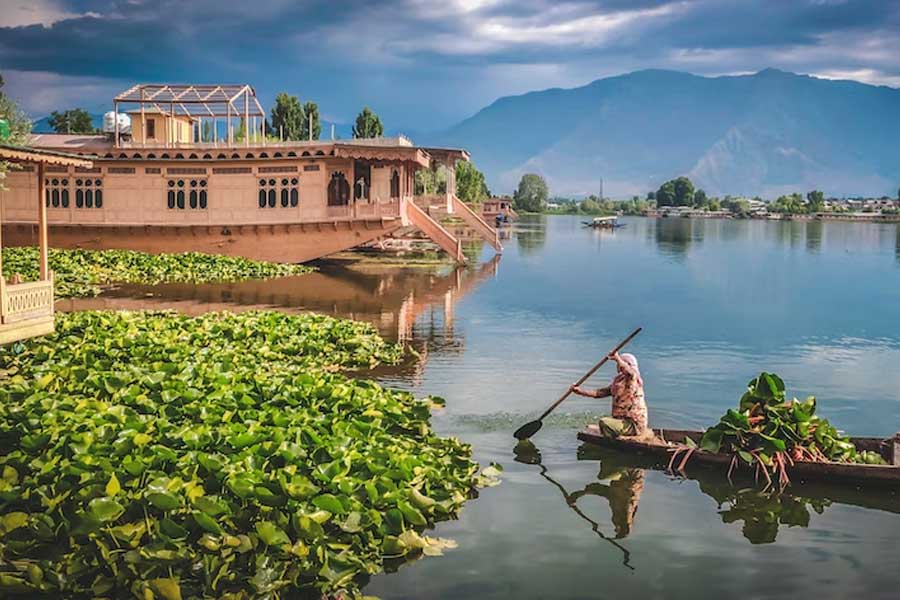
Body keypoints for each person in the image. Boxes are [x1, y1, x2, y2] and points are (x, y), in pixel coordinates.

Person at [570, 352, 650, 439]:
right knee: (599, 424)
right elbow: (600, 393)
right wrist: (581, 392)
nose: (617, 366)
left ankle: (614, 439)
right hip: (621, 421)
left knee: (604, 422)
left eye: (619, 364)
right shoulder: (618, 382)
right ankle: (612, 432)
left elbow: (629, 372)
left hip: (633, 424)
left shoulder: (633, 378)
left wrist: (617, 358)